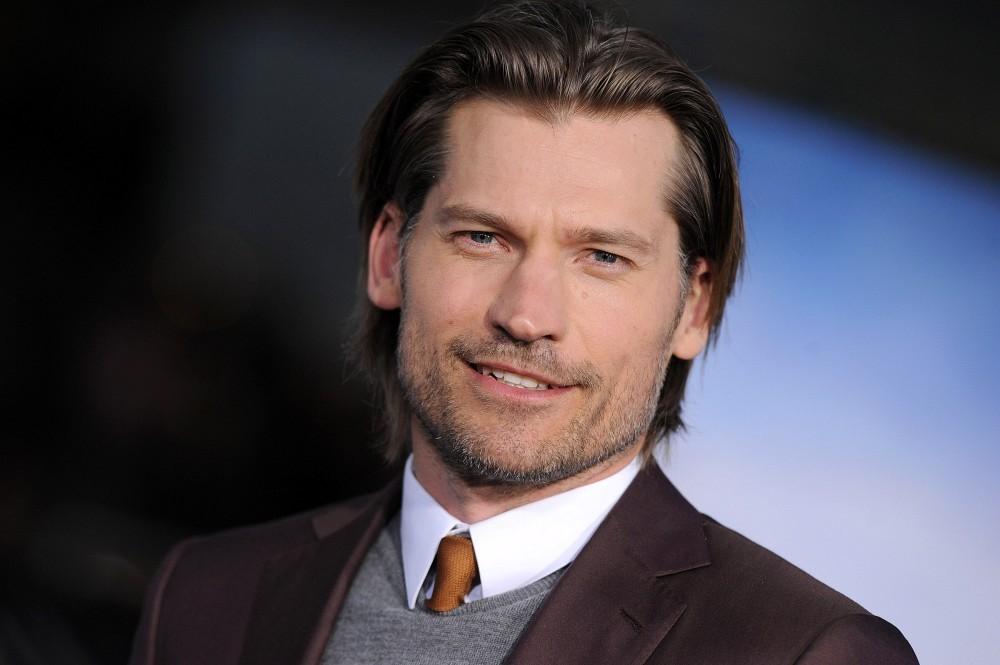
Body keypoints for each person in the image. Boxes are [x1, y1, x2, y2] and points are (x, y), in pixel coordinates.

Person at [129, 2, 918, 663]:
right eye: (483, 237)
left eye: (602, 257)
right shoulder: (204, 597)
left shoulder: (806, 652)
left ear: (693, 307)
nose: (527, 314)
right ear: (388, 256)